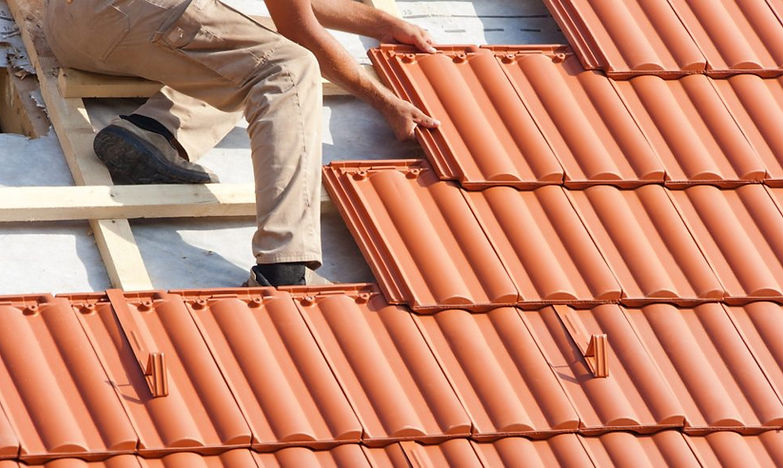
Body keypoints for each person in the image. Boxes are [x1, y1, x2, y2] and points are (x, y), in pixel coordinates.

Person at [43, 0, 439, 287]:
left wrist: (377, 21)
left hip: (73, 27)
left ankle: (155, 131)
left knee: (252, 46)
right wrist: (383, 100)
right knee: (287, 67)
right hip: (123, 15)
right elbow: (299, 28)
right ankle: (286, 263)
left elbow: (290, 10)